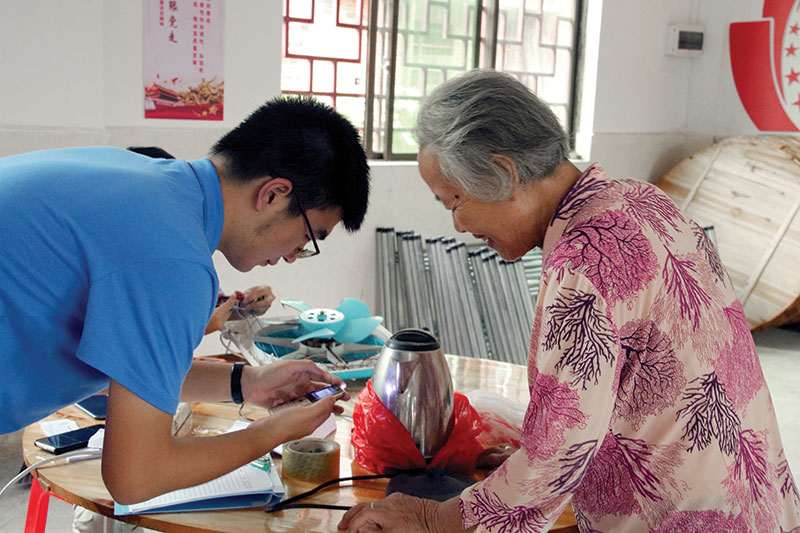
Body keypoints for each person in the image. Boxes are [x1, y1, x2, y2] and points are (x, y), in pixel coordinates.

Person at [339, 69, 800, 532]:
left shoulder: (585, 259)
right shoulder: (643, 201)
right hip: (753, 498)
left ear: (504, 172)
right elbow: (639, 387)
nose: (459, 226)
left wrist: (433, 518)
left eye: (454, 201)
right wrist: (532, 457)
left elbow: (559, 453)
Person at [0, 96, 370, 505]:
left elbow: (130, 373)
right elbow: (135, 476)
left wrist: (247, 383)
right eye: (308, 237)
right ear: (274, 194)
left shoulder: (139, 180)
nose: (291, 256)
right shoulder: (174, 259)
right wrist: (273, 432)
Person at [125, 145, 278, 334]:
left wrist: (242, 307)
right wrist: (201, 326)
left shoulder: (184, 248)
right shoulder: (128, 255)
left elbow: (206, 308)